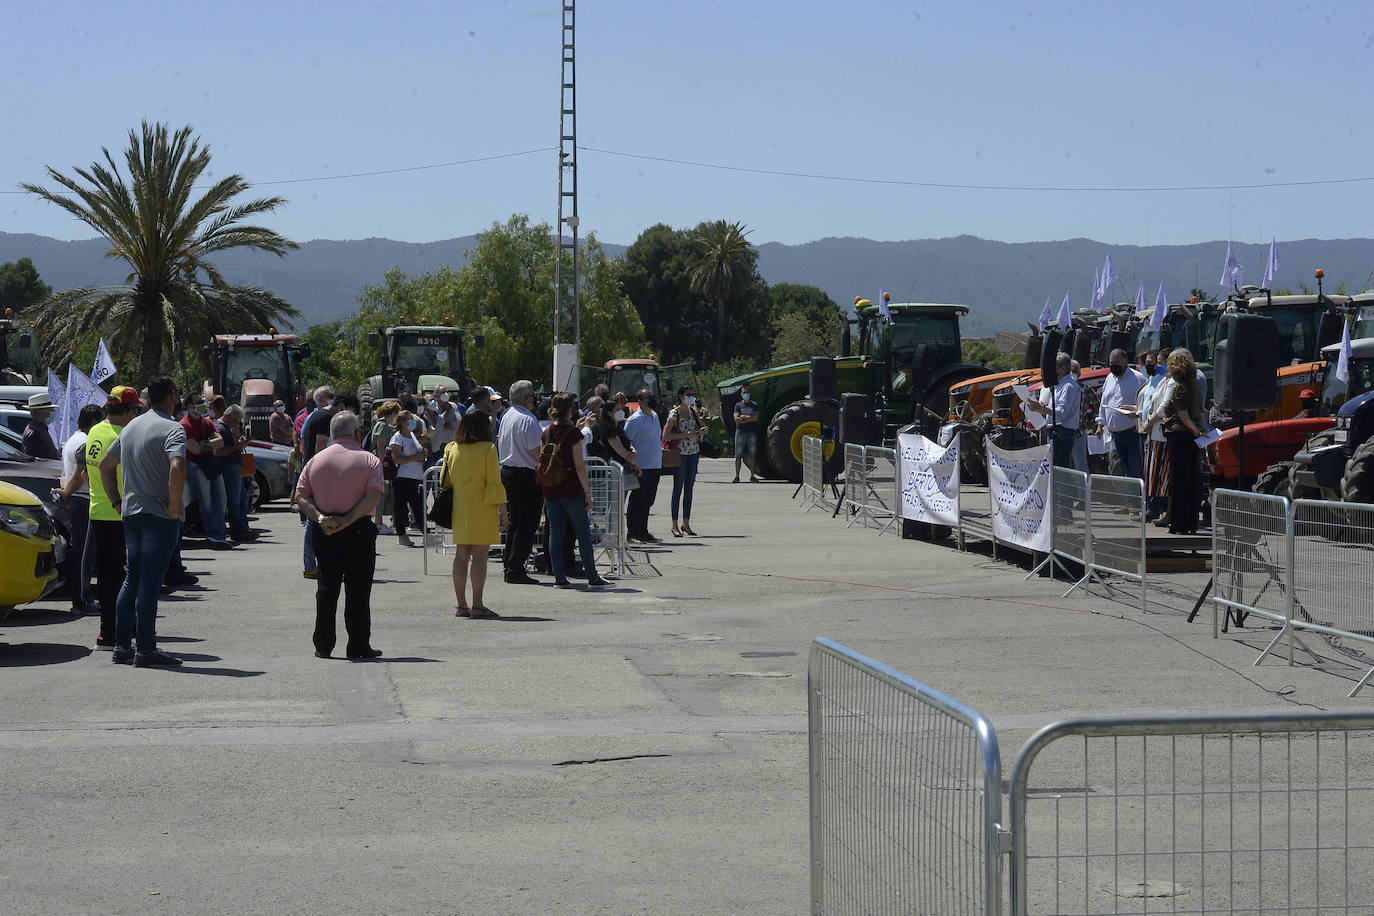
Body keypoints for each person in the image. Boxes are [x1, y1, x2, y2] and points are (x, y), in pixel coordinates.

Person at [99, 376, 187, 667]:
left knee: (132, 579)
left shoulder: (131, 425)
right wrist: (174, 507)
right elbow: (177, 466)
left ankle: (122, 646)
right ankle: (146, 649)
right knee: (149, 583)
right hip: (158, 516)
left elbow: (105, 466)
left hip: (131, 513)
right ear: (172, 396)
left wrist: (116, 501)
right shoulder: (173, 428)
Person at [294, 411, 384, 660]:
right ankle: (357, 644)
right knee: (358, 590)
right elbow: (373, 496)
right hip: (357, 529)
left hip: (325, 529)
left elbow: (300, 495)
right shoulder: (369, 461)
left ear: (333, 434)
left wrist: (320, 517)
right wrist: (348, 520)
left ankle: (323, 644)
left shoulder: (315, 460)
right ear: (357, 433)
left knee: (326, 588)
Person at [86, 387, 141, 649]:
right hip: (120, 512)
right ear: (128, 411)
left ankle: (108, 631)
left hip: (98, 510)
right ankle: (113, 633)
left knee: (108, 577)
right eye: (136, 411)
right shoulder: (123, 435)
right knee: (121, 578)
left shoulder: (95, 430)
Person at [443, 410, 508, 617]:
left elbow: (445, 481)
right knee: (480, 556)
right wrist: (503, 512)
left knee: (461, 555)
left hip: (460, 507)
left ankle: (461, 605)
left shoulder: (451, 448)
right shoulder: (488, 449)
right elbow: (494, 483)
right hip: (484, 507)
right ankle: (478, 605)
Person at [540, 393, 608, 588]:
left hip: (552, 488)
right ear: (569, 410)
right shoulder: (574, 434)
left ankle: (559, 577)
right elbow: (579, 466)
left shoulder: (546, 432)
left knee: (555, 533)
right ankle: (592, 575)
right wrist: (587, 493)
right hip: (571, 488)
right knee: (583, 533)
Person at [53, 404, 106, 614]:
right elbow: (80, 476)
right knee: (83, 554)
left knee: (81, 551)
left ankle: (82, 598)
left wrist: (66, 492)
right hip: (83, 500)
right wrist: (68, 492)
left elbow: (65, 475)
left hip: (76, 499)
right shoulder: (85, 442)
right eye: (101, 421)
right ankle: (81, 601)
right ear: (94, 422)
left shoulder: (71, 441)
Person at [497, 379, 545, 584]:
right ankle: (516, 568)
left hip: (509, 471)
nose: (534, 398)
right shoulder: (528, 419)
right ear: (526, 398)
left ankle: (510, 565)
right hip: (525, 474)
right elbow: (537, 451)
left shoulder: (507, 415)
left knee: (515, 522)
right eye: (532, 394)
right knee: (527, 523)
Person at [1160, 348, 1205, 535]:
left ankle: (1179, 523)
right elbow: (1199, 411)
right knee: (1190, 479)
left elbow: (1183, 416)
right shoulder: (1193, 386)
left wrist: (1196, 431)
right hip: (1190, 436)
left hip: (1179, 435)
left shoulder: (1179, 388)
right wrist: (1200, 431)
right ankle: (1190, 522)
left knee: (1179, 480)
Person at [180, 392, 228, 547]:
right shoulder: (184, 425)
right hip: (194, 465)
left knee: (221, 499)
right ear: (189, 406)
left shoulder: (207, 422)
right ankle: (212, 534)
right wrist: (209, 443)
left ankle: (219, 534)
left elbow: (220, 442)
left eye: (201, 401)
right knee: (205, 501)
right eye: (197, 402)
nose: (201, 404)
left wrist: (204, 443)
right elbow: (194, 449)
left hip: (210, 463)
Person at [1095, 348, 1147, 478]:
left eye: (1116, 363)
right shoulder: (1109, 378)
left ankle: (1137, 498)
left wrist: (1139, 421)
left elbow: (1146, 403)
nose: (1113, 366)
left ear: (1125, 362)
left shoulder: (1138, 379)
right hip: (1115, 436)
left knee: (1135, 470)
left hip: (1132, 434)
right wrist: (1100, 424)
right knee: (1117, 471)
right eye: (1111, 363)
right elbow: (1104, 402)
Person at [623, 387, 665, 543]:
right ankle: (632, 534)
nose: (652, 400)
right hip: (640, 467)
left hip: (655, 465)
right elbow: (625, 441)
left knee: (648, 501)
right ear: (640, 401)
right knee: (637, 501)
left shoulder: (654, 415)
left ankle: (643, 532)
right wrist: (632, 462)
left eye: (652, 397)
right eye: (648, 398)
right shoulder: (635, 419)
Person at [1027, 353, 1081, 469]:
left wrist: (1041, 408)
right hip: (1054, 430)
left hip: (1063, 433)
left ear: (1063, 368)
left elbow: (1061, 413)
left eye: (1054, 367)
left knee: (1060, 468)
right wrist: (1040, 406)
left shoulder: (1068, 386)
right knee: (1053, 467)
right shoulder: (1058, 385)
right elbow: (1053, 408)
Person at [664, 385, 703, 537]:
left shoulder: (693, 411)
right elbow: (666, 435)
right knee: (678, 489)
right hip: (679, 454)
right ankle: (674, 525)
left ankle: (686, 523)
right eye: (688, 394)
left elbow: (700, 427)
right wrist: (685, 435)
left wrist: (702, 431)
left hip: (694, 453)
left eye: (692, 394)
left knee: (689, 489)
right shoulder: (674, 413)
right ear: (680, 396)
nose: (691, 397)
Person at [1142, 347, 1176, 522]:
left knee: (1166, 478)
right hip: (1155, 435)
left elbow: (1164, 407)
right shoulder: (1163, 380)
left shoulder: (1172, 382)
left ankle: (1170, 513)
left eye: (1160, 363)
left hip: (1163, 435)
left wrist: (1150, 420)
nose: (1157, 366)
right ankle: (1164, 511)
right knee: (1157, 477)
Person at [215, 404, 256, 541]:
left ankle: (242, 528)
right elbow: (219, 451)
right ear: (228, 417)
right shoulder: (220, 428)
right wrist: (238, 446)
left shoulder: (226, 427)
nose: (237, 423)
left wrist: (238, 443)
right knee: (235, 500)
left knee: (242, 499)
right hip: (228, 467)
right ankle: (237, 530)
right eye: (236, 420)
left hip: (233, 467)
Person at [388, 409, 427, 546]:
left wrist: (422, 456)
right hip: (402, 477)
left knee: (418, 506)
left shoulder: (412, 435)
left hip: (415, 476)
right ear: (401, 422)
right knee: (401, 507)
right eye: (406, 419)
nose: (410, 422)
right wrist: (415, 457)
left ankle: (425, 534)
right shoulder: (397, 438)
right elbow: (397, 459)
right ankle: (402, 535)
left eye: (410, 419)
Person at [368, 400, 400, 534]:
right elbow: (380, 446)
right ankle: (378, 523)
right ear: (392, 413)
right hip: (381, 461)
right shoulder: (382, 426)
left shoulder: (381, 424)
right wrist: (382, 465)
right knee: (382, 492)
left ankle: (379, 522)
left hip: (379, 460)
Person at [425, 385, 461, 467]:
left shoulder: (453, 406)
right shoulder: (433, 407)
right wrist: (447, 412)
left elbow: (459, 423)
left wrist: (447, 425)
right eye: (442, 392)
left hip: (452, 442)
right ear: (437, 395)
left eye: (446, 392)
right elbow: (439, 425)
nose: (445, 394)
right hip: (439, 444)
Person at [21, 392, 61, 459]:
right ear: (42, 411)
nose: (53, 411)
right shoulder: (34, 433)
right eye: (50, 409)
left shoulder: (40, 429)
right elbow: (32, 460)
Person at [733, 383, 760, 482]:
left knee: (752, 455)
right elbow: (736, 419)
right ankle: (737, 476)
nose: (746, 394)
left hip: (752, 433)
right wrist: (750, 418)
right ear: (741, 394)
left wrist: (744, 417)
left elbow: (756, 418)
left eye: (747, 392)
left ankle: (752, 476)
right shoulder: (738, 405)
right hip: (740, 433)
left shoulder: (754, 405)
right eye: (744, 392)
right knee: (738, 456)